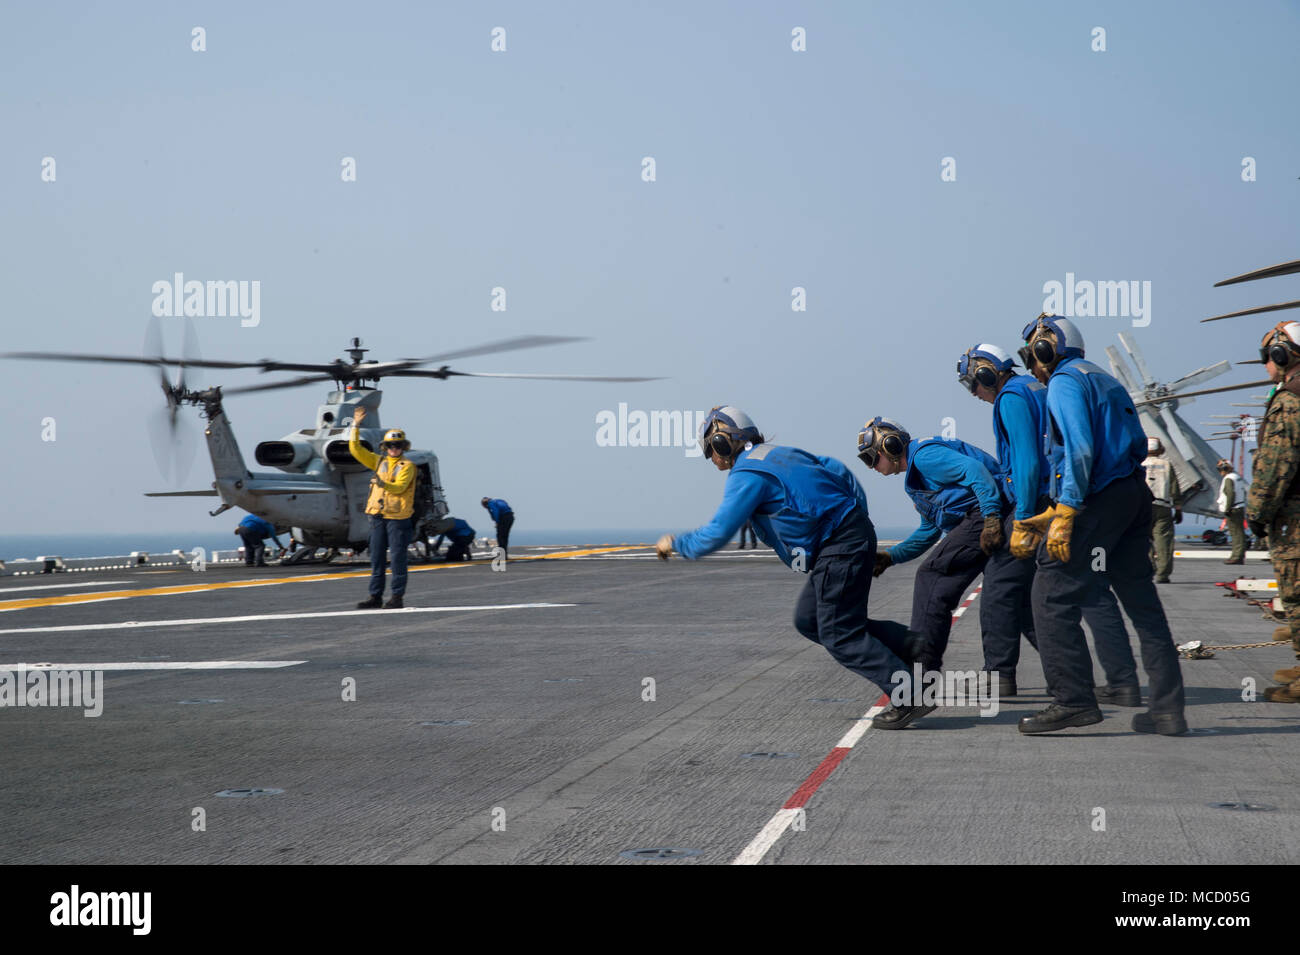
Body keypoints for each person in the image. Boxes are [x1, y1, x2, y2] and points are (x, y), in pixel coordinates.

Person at [656, 406, 931, 729]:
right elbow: (837, 470)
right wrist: (860, 522)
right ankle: (912, 645)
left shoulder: (747, 474)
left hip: (839, 546)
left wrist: (676, 544)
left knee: (839, 635)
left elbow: (717, 532)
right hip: (850, 537)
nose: (711, 459)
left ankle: (910, 694)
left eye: (710, 450)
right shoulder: (779, 453)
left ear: (721, 442)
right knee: (809, 619)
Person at [1011, 314, 1186, 735]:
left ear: (1046, 348)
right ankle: (1167, 710)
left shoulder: (1065, 380)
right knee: (1142, 604)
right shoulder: (1102, 377)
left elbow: (1082, 449)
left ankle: (1073, 701)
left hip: (1098, 499)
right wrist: (1052, 514)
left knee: (1049, 595)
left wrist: (1067, 510)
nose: (1033, 365)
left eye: (1032, 353)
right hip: (1132, 496)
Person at [957, 343, 1140, 702]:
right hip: (1069, 502)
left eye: (972, 384)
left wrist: (1023, 519)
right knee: (1081, 590)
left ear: (986, 374)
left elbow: (1025, 461)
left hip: (1036, 504)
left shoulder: (1010, 397)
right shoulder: (1036, 386)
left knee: (998, 587)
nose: (974, 393)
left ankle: (999, 677)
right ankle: (1120, 680)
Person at [858, 416, 1005, 677]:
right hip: (988, 516)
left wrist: (992, 517)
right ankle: (1008, 676)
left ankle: (923, 674)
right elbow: (928, 531)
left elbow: (975, 472)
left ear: (890, 446)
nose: (871, 467)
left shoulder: (925, 458)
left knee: (932, 576)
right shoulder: (916, 481)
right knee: (1007, 599)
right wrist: (890, 557)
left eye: (871, 458)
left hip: (987, 514)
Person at [1247, 322, 1300, 703]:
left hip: (1294, 518)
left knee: (1297, 596)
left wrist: (1258, 512)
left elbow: (1275, 465)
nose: (1266, 364)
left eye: (1268, 356)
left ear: (1283, 356)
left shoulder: (1289, 400)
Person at [349, 406, 416, 609]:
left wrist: (382, 484)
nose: (394, 448)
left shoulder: (408, 466)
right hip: (377, 516)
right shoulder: (378, 462)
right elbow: (356, 450)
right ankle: (375, 596)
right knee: (377, 558)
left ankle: (397, 597)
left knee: (397, 559)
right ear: (384, 447)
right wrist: (355, 426)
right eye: (390, 445)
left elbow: (400, 487)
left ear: (403, 447)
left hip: (398, 517)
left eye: (397, 445)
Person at [1141, 438, 1183, 583]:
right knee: (1163, 541)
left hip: (1142, 507)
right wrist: (1178, 508)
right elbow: (1174, 489)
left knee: (1142, 539)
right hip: (1163, 507)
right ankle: (1162, 574)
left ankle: (1148, 568)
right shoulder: (1166, 465)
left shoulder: (1138, 464)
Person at [1216, 458, 1248, 565]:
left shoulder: (1228, 479)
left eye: (1221, 469)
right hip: (1240, 507)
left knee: (1236, 534)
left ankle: (1236, 557)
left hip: (1233, 509)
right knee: (1240, 533)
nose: (1220, 471)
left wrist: (1228, 508)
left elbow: (1230, 494)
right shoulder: (1237, 477)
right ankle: (1240, 555)